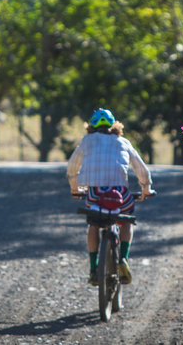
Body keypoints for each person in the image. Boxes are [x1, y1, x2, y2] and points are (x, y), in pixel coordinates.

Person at [67, 108, 154, 287]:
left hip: (95, 194)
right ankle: (122, 258)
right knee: (126, 220)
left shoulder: (86, 141)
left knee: (93, 224)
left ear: (91, 126)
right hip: (120, 195)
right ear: (115, 126)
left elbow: (72, 168)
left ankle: (93, 268)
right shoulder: (123, 142)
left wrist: (75, 189)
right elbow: (142, 170)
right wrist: (146, 189)